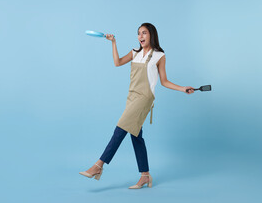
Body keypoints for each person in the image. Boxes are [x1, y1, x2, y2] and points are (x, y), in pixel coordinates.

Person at [79, 23, 195, 189]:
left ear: (151, 35)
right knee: (136, 137)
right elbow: (117, 63)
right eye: (138, 33)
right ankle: (145, 176)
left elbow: (164, 81)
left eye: (144, 33)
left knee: (120, 129)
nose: (140, 36)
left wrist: (182, 88)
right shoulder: (135, 53)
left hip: (145, 98)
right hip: (132, 97)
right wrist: (113, 43)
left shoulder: (159, 56)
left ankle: (98, 166)